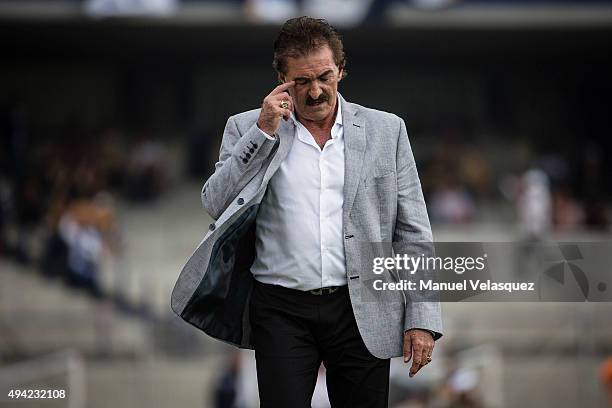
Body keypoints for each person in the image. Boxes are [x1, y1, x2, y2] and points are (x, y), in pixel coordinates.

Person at [171, 16, 442, 407]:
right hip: (280, 309)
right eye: (301, 81)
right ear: (281, 78)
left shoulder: (388, 130)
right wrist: (262, 132)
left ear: (341, 71)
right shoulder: (248, 127)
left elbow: (413, 232)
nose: (315, 91)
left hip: (362, 306)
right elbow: (215, 202)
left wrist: (422, 317)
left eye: (325, 77)